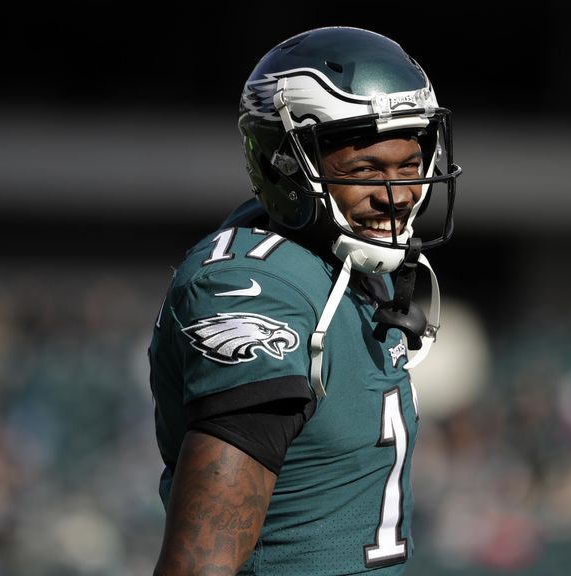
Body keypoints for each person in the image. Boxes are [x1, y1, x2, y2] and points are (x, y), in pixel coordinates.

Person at [148, 25, 461, 575]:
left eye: (409, 165)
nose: (401, 194)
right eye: (367, 170)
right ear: (285, 165)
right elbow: (201, 563)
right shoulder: (257, 291)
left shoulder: (348, 263)